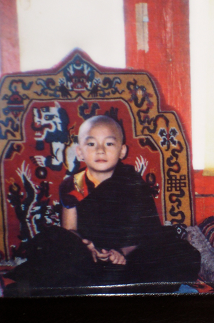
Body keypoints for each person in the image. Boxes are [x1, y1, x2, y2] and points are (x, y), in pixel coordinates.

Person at [5, 115, 200, 295]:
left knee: (180, 252)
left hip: (129, 257)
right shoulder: (71, 185)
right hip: (86, 258)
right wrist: (85, 244)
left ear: (122, 150)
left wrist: (121, 253)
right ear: (79, 151)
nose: (100, 150)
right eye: (91, 143)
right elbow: (70, 230)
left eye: (109, 143)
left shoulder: (133, 184)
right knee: (54, 239)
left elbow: (145, 233)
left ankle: (88, 289)